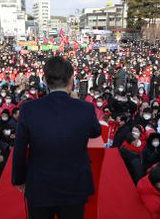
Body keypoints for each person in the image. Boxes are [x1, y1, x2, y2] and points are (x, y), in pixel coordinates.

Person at [12, 56, 101, 219]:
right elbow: (96, 132)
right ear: (71, 79)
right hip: (75, 185)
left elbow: (19, 148)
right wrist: (76, 102)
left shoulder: (29, 109)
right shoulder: (85, 108)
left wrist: (19, 179)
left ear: (44, 80)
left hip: (39, 185)